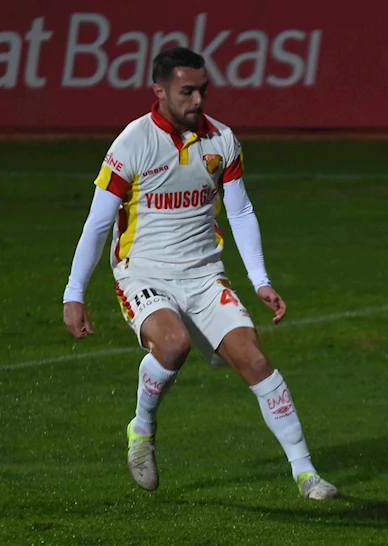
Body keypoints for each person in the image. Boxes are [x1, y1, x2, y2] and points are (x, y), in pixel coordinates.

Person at [62, 46, 338, 501]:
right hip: (142, 271)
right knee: (173, 345)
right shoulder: (132, 142)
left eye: (202, 91)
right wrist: (75, 292)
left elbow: (241, 210)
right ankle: (143, 428)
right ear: (160, 91)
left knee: (255, 360)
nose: (197, 101)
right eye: (186, 91)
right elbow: (97, 223)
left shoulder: (222, 141)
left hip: (205, 274)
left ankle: (306, 473)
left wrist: (260, 279)